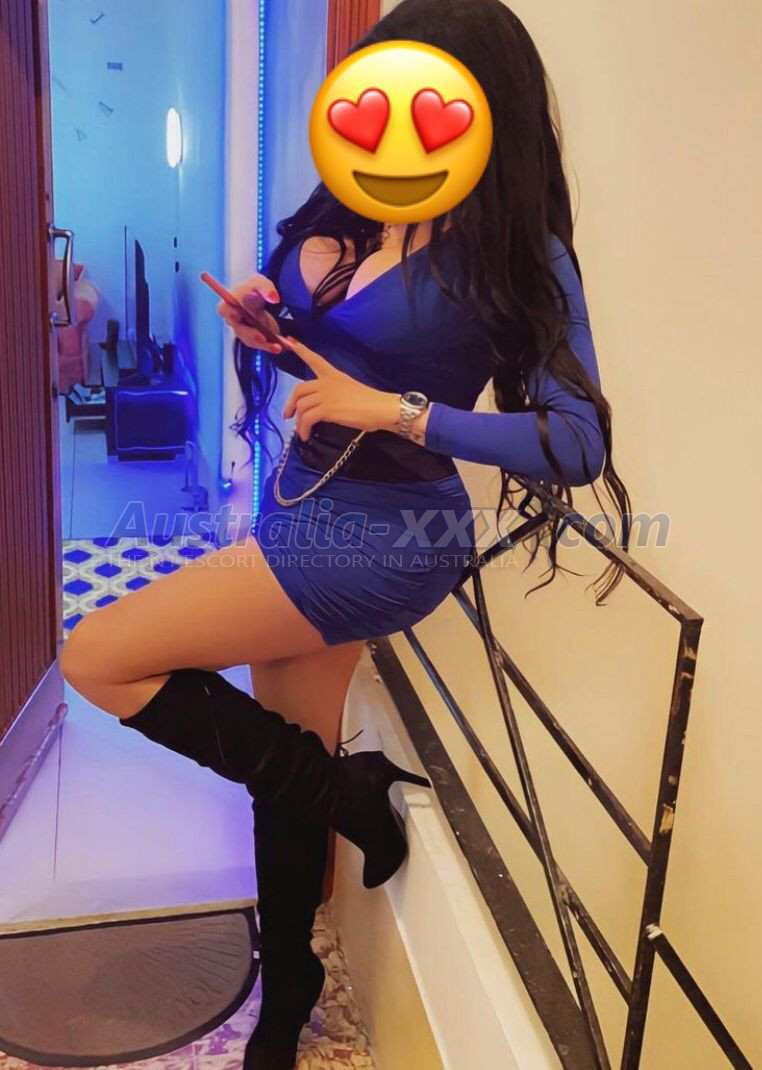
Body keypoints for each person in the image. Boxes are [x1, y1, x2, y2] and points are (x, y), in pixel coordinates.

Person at [60, 2, 630, 1068]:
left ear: (481, 110)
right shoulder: (356, 207)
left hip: (389, 531)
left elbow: (577, 440)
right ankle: (290, 989)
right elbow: (331, 366)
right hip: (299, 495)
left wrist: (404, 412)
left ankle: (353, 796)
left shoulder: (518, 251)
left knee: (96, 655)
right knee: (286, 759)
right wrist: (268, 329)